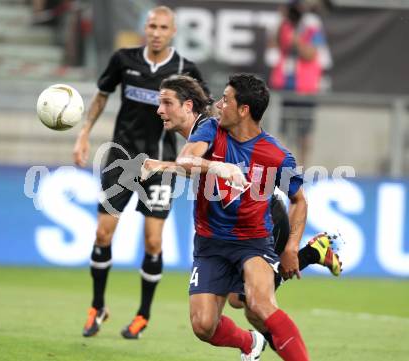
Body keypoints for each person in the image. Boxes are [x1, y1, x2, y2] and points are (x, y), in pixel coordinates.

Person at [144, 74, 341, 355]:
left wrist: (292, 247)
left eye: (226, 99)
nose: (219, 105)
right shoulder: (211, 129)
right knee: (203, 325)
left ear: (243, 110)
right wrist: (216, 167)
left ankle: (306, 255)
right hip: (210, 244)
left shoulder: (276, 155)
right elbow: (185, 160)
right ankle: (251, 343)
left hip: (253, 241)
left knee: (258, 306)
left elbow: (299, 200)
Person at [73, 6, 206, 339]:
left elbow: (203, 114)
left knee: (153, 241)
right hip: (120, 161)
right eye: (152, 26)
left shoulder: (184, 71)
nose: (157, 32)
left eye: (163, 27)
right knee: (103, 234)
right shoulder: (124, 59)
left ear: (173, 31)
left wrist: (197, 149)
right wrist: (84, 132)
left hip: (159, 165)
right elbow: (102, 95)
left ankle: (143, 314)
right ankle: (98, 306)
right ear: (144, 28)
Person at [265, 0, 331, 166]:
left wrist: (296, 39)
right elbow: (273, 48)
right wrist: (281, 23)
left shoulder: (311, 28)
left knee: (304, 132)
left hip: (305, 88)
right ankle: (281, 165)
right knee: (281, 130)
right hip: (284, 86)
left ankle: (303, 167)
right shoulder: (283, 26)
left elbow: (310, 54)